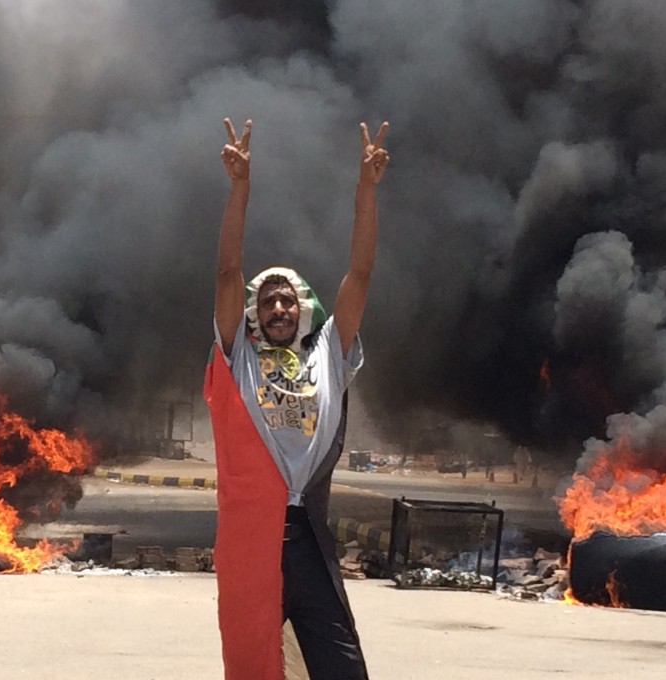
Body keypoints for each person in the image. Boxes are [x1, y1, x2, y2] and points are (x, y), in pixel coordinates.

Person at [203, 116, 389, 680]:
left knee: (341, 667)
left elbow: (359, 273)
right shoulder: (238, 356)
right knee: (254, 666)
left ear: (304, 308)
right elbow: (228, 271)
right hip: (249, 538)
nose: (279, 309)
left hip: (307, 531)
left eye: (288, 301)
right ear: (256, 316)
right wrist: (240, 191)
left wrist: (365, 192)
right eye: (269, 303)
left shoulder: (329, 352)